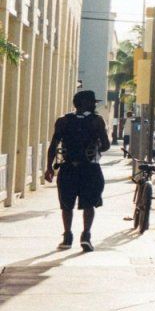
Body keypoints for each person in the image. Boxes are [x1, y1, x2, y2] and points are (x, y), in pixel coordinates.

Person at [44, 89, 111, 252]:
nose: (94, 106)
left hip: (68, 168)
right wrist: (96, 146)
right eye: (92, 103)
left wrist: (49, 168)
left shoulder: (63, 121)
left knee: (66, 204)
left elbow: (53, 145)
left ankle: (67, 237)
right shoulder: (97, 121)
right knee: (89, 204)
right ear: (87, 103)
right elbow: (106, 145)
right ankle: (86, 236)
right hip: (90, 169)